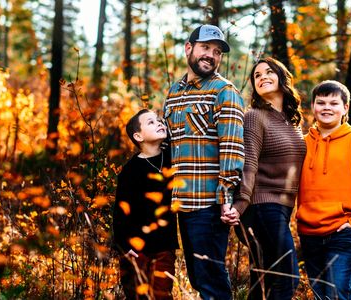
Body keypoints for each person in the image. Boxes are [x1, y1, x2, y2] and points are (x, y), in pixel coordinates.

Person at [163, 24, 244, 300]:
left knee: (211, 282)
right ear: (189, 48)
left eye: (217, 51)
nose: (211, 55)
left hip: (208, 205)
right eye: (205, 48)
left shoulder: (225, 91)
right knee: (198, 278)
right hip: (181, 203)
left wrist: (225, 198)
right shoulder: (173, 93)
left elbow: (232, 150)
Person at [222, 57, 306, 300]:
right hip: (259, 207)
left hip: (280, 209)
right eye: (257, 75)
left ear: (282, 77)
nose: (262, 77)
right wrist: (240, 204)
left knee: (264, 282)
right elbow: (249, 164)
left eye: (268, 72)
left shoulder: (292, 121)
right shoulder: (254, 116)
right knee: (287, 277)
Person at [297, 80, 351, 300]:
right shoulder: (302, 143)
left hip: (344, 232)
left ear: (345, 108)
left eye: (334, 103)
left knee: (337, 294)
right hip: (309, 234)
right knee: (320, 295)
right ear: (313, 107)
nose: (327, 107)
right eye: (321, 102)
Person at [113, 109, 178, 300]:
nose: (159, 123)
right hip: (136, 248)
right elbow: (120, 213)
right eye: (151, 122)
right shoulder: (130, 171)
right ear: (138, 136)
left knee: (161, 294)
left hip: (164, 246)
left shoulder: (173, 156)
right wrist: (125, 246)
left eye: (159, 120)